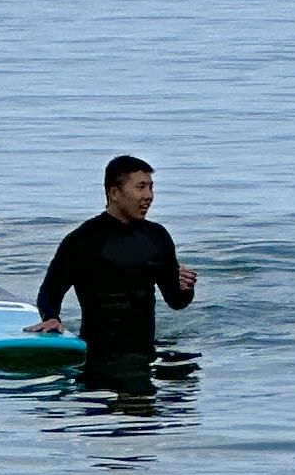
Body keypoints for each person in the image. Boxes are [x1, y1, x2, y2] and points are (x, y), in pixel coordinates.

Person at [37, 157, 197, 367]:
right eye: (141, 187)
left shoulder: (157, 237)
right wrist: (51, 318)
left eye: (151, 187)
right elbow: (50, 291)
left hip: (144, 352)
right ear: (114, 193)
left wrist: (186, 288)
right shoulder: (84, 240)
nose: (148, 196)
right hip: (97, 355)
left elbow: (176, 301)